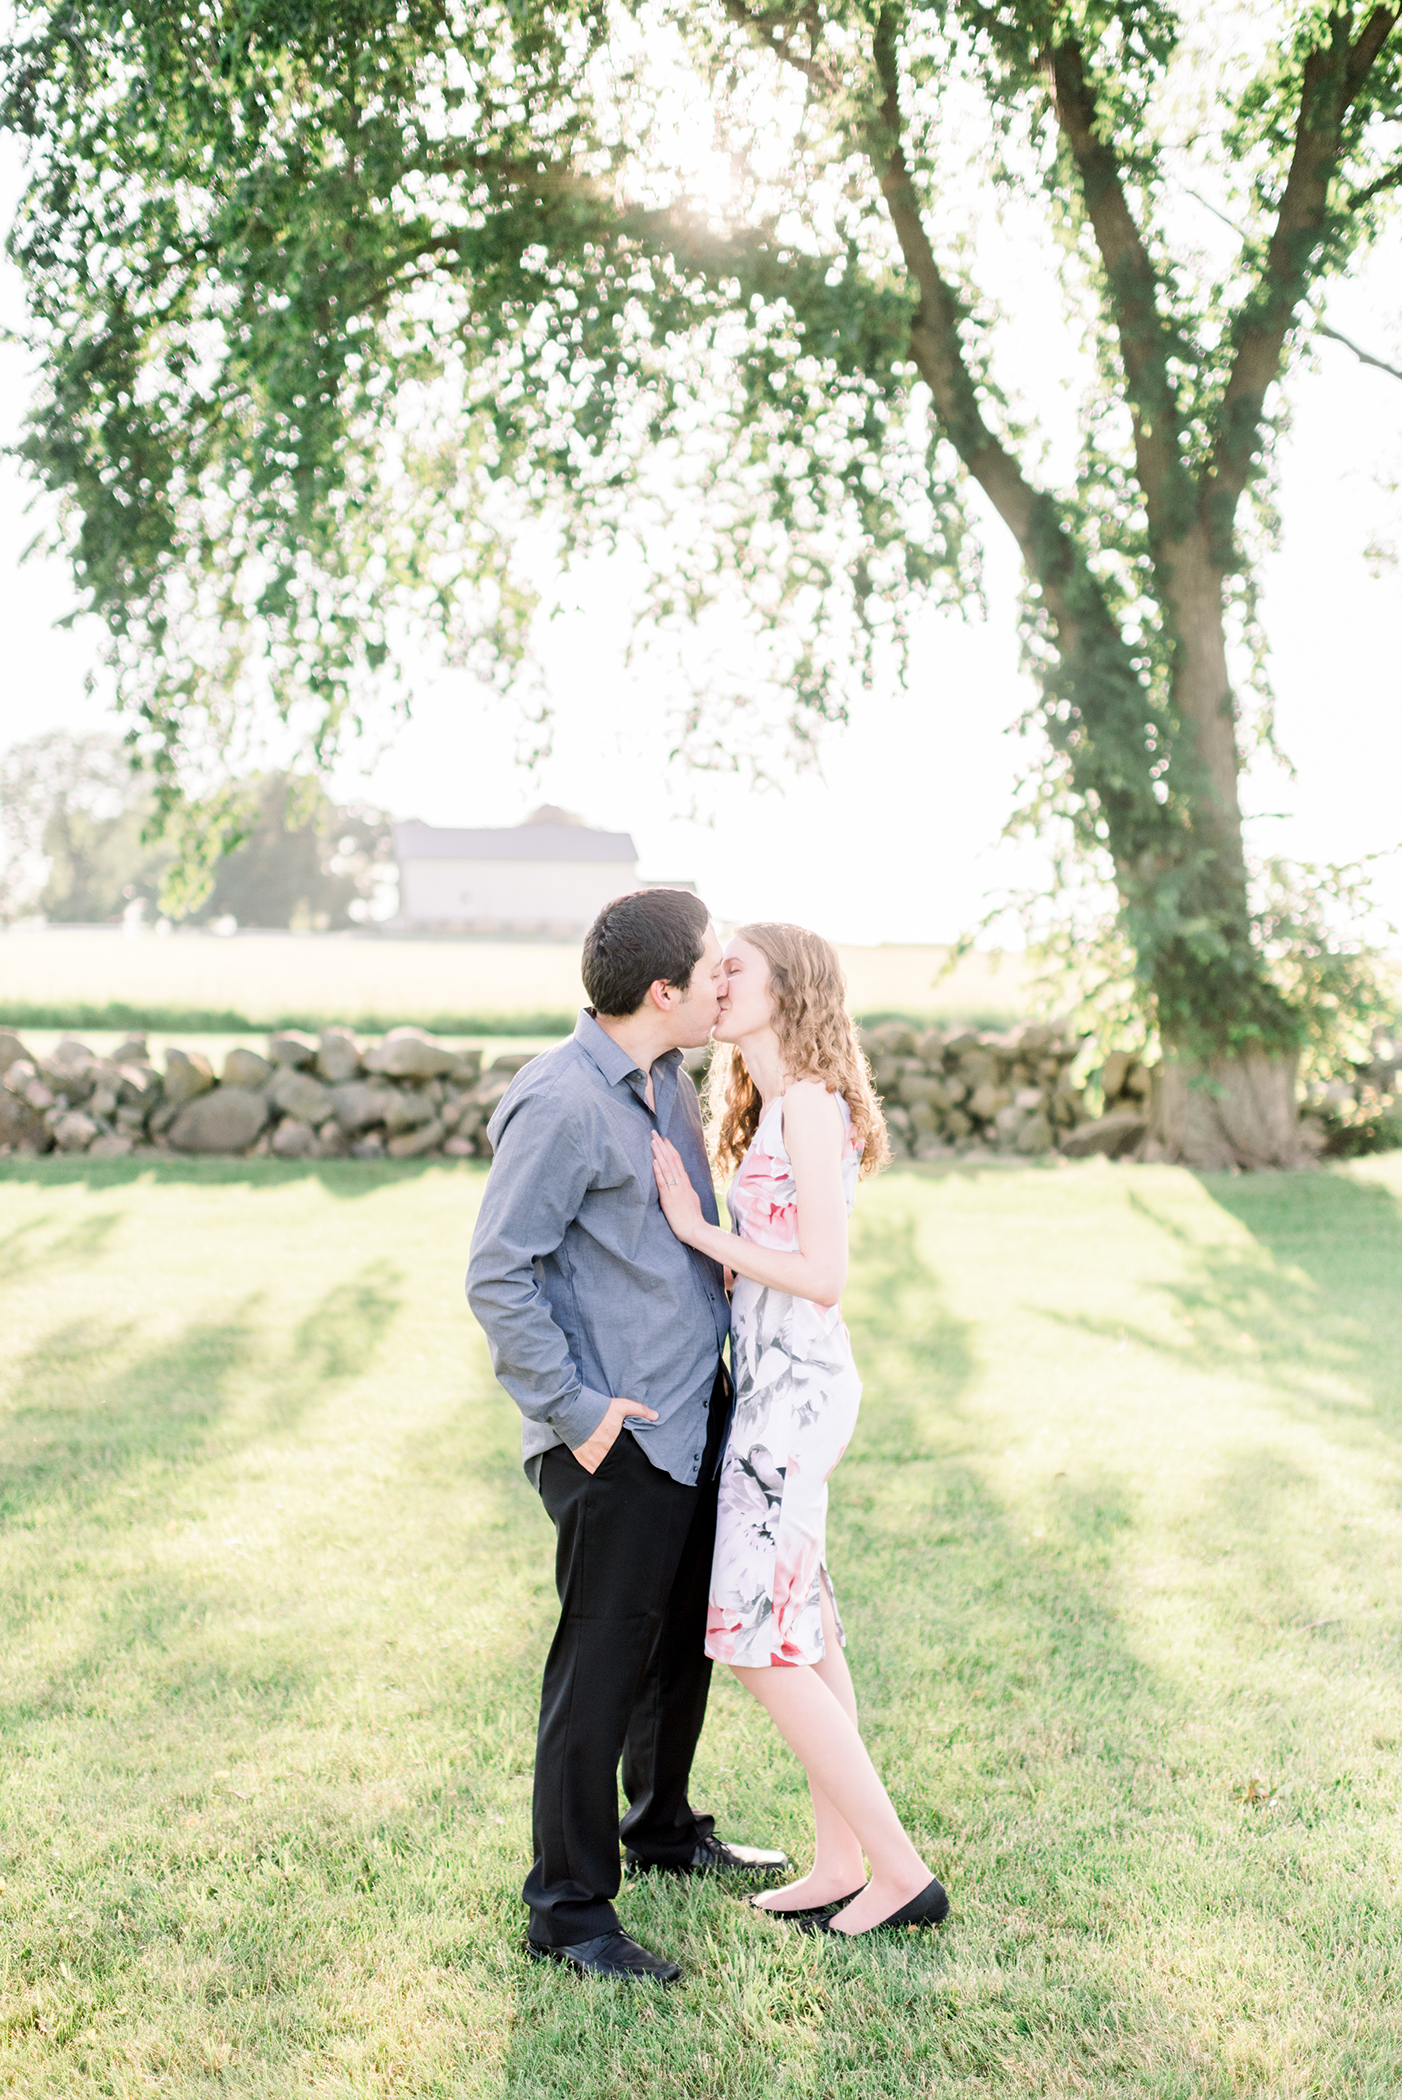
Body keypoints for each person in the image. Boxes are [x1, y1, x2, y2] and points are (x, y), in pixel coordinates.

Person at [466, 888, 787, 1986]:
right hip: (616, 1437)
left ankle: (661, 1826)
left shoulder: (667, 1076)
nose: (721, 989)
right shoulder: (557, 1102)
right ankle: (566, 1910)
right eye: (710, 974)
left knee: (677, 1647)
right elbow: (498, 1277)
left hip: (696, 1417)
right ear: (663, 991)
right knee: (597, 1671)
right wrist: (581, 1413)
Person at [650, 921, 949, 1937]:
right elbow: (773, 1261)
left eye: (733, 967)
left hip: (798, 1397)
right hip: (774, 1389)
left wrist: (701, 1230)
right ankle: (836, 1865)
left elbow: (822, 1277)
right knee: (804, 1635)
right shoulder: (776, 1109)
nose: (713, 982)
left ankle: (899, 1872)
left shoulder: (812, 1107)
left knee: (752, 1642)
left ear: (792, 986)